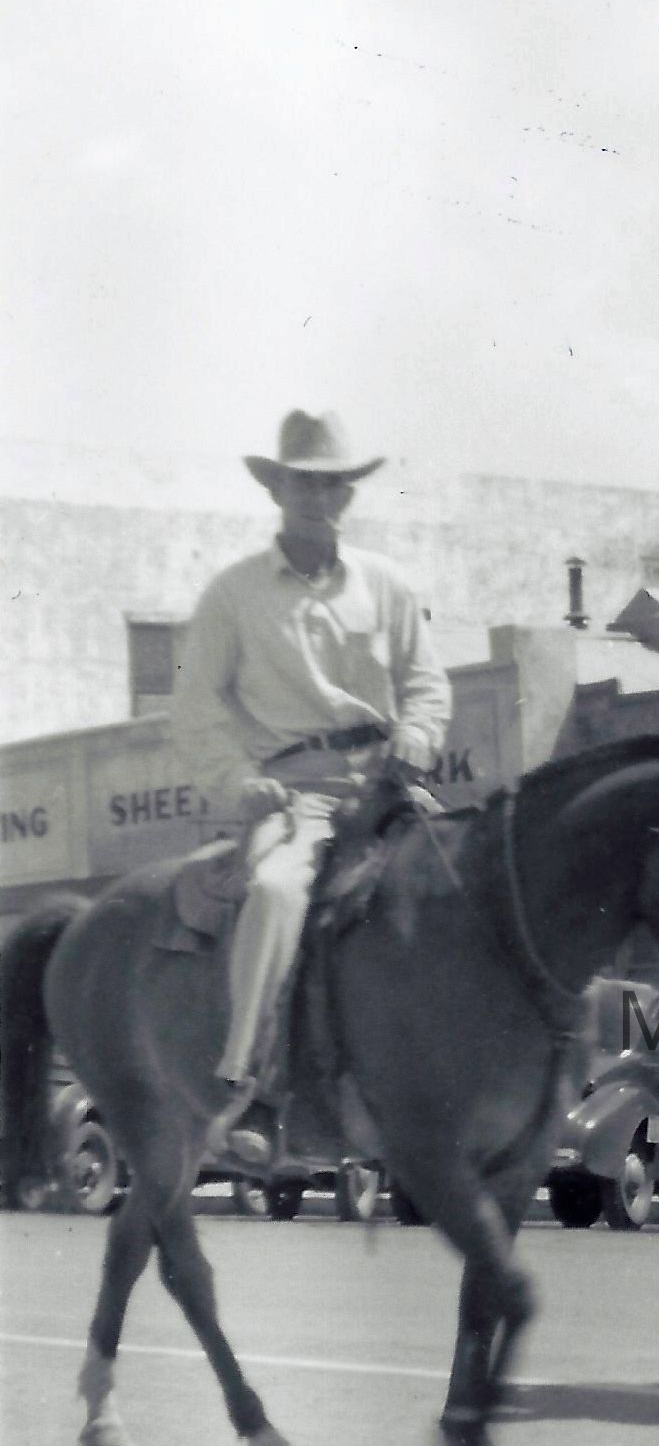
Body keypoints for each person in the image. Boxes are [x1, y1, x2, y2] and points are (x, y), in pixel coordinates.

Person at [171, 410, 452, 1168]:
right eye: (304, 483)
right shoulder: (232, 594)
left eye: (333, 485)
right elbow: (194, 707)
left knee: (466, 883)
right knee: (275, 892)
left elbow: (426, 684)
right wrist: (240, 782)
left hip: (388, 787)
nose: (319, 497)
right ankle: (252, 1087)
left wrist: (418, 735)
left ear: (348, 495)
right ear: (278, 490)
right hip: (294, 793)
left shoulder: (387, 585)